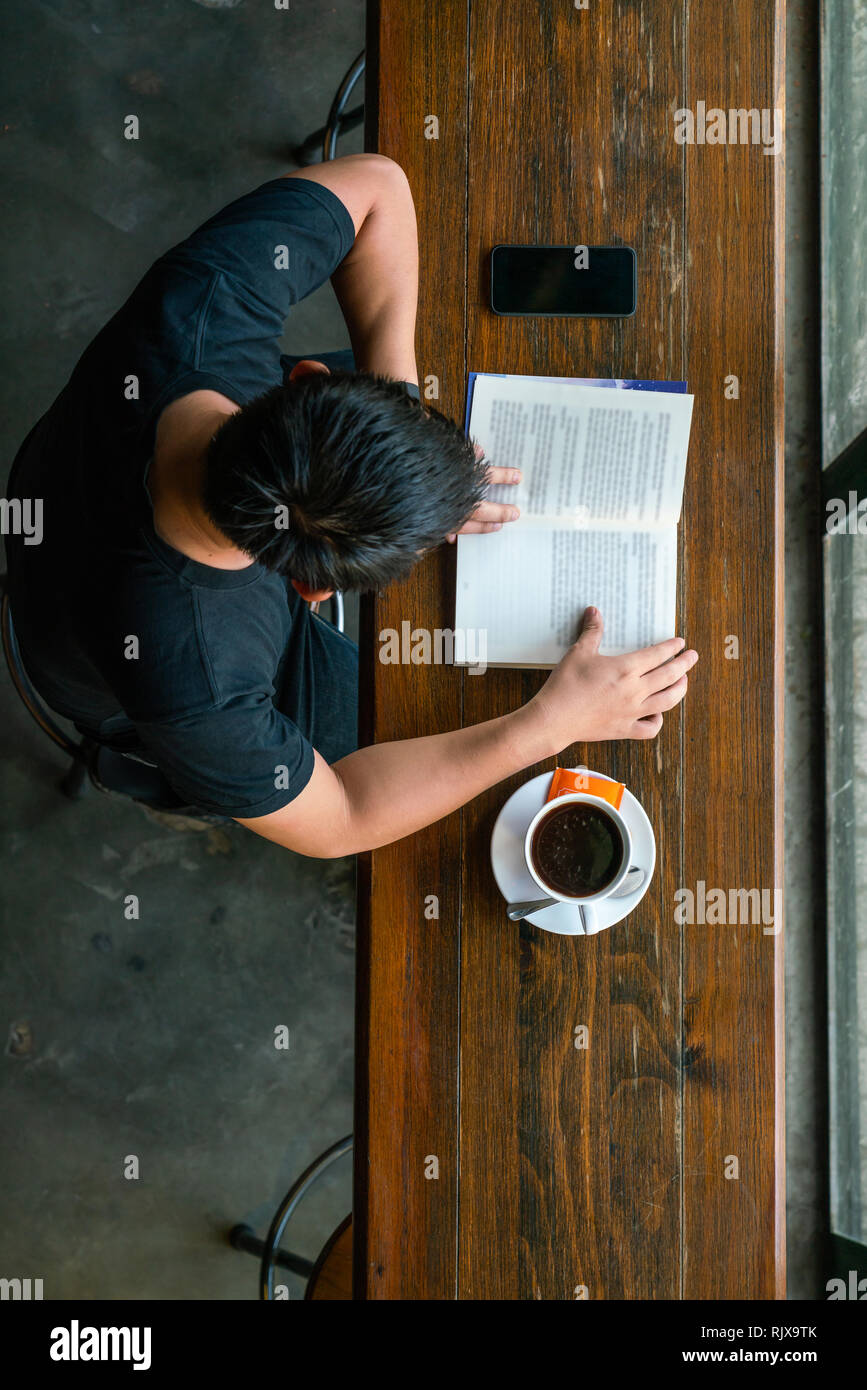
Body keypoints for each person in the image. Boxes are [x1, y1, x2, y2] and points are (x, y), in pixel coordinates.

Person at [5, 153, 698, 856]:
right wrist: (547, 725)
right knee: (430, 731)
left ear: (308, 381)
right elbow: (342, 819)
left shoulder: (200, 306)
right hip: (98, 672)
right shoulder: (199, 686)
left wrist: (396, 419)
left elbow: (379, 187)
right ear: (308, 586)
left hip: (58, 476)